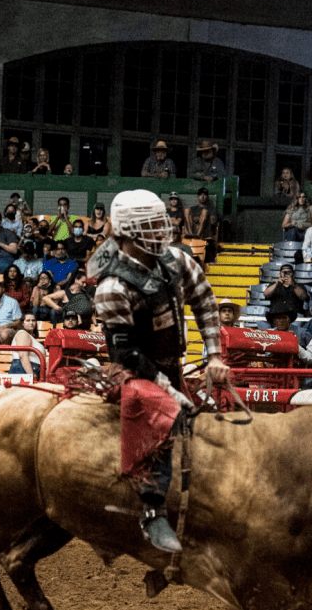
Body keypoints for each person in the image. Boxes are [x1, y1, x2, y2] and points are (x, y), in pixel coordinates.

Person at [90, 189, 228, 553]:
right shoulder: (112, 286)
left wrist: (214, 355)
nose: (161, 231)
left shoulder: (178, 261)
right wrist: (167, 386)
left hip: (172, 362)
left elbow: (206, 301)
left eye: (160, 223)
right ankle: (151, 511)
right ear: (126, 234)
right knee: (167, 411)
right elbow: (125, 350)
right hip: (132, 371)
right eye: (150, 226)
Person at [184, 187, 220, 262]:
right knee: (187, 210)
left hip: (206, 234)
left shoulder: (211, 209)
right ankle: (193, 235)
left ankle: (198, 235)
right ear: (197, 196)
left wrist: (203, 218)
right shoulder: (193, 209)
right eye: (201, 195)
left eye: (205, 195)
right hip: (193, 232)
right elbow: (188, 220)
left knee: (204, 212)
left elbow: (213, 222)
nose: (203, 197)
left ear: (207, 197)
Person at [8, 311, 44, 376]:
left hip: (32, 368)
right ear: (22, 323)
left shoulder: (30, 337)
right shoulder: (23, 333)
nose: (31, 323)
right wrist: (31, 374)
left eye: (33, 320)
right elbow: (23, 355)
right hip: (24, 369)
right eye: (28, 320)